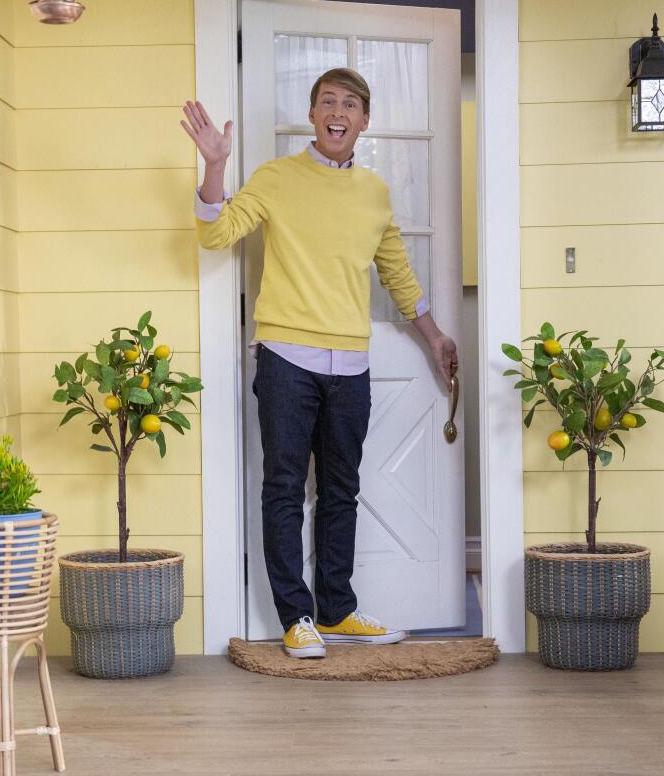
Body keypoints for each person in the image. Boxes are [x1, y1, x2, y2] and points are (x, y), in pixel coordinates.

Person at [181, 68, 458, 659]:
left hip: (351, 366)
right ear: (312, 115)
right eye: (327, 102)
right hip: (286, 359)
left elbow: (398, 276)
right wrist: (213, 168)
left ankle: (337, 608)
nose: (338, 112)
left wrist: (434, 337)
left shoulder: (375, 193)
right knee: (283, 488)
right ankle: (296, 617)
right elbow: (216, 233)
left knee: (341, 490)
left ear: (364, 121)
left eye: (350, 104)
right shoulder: (276, 178)